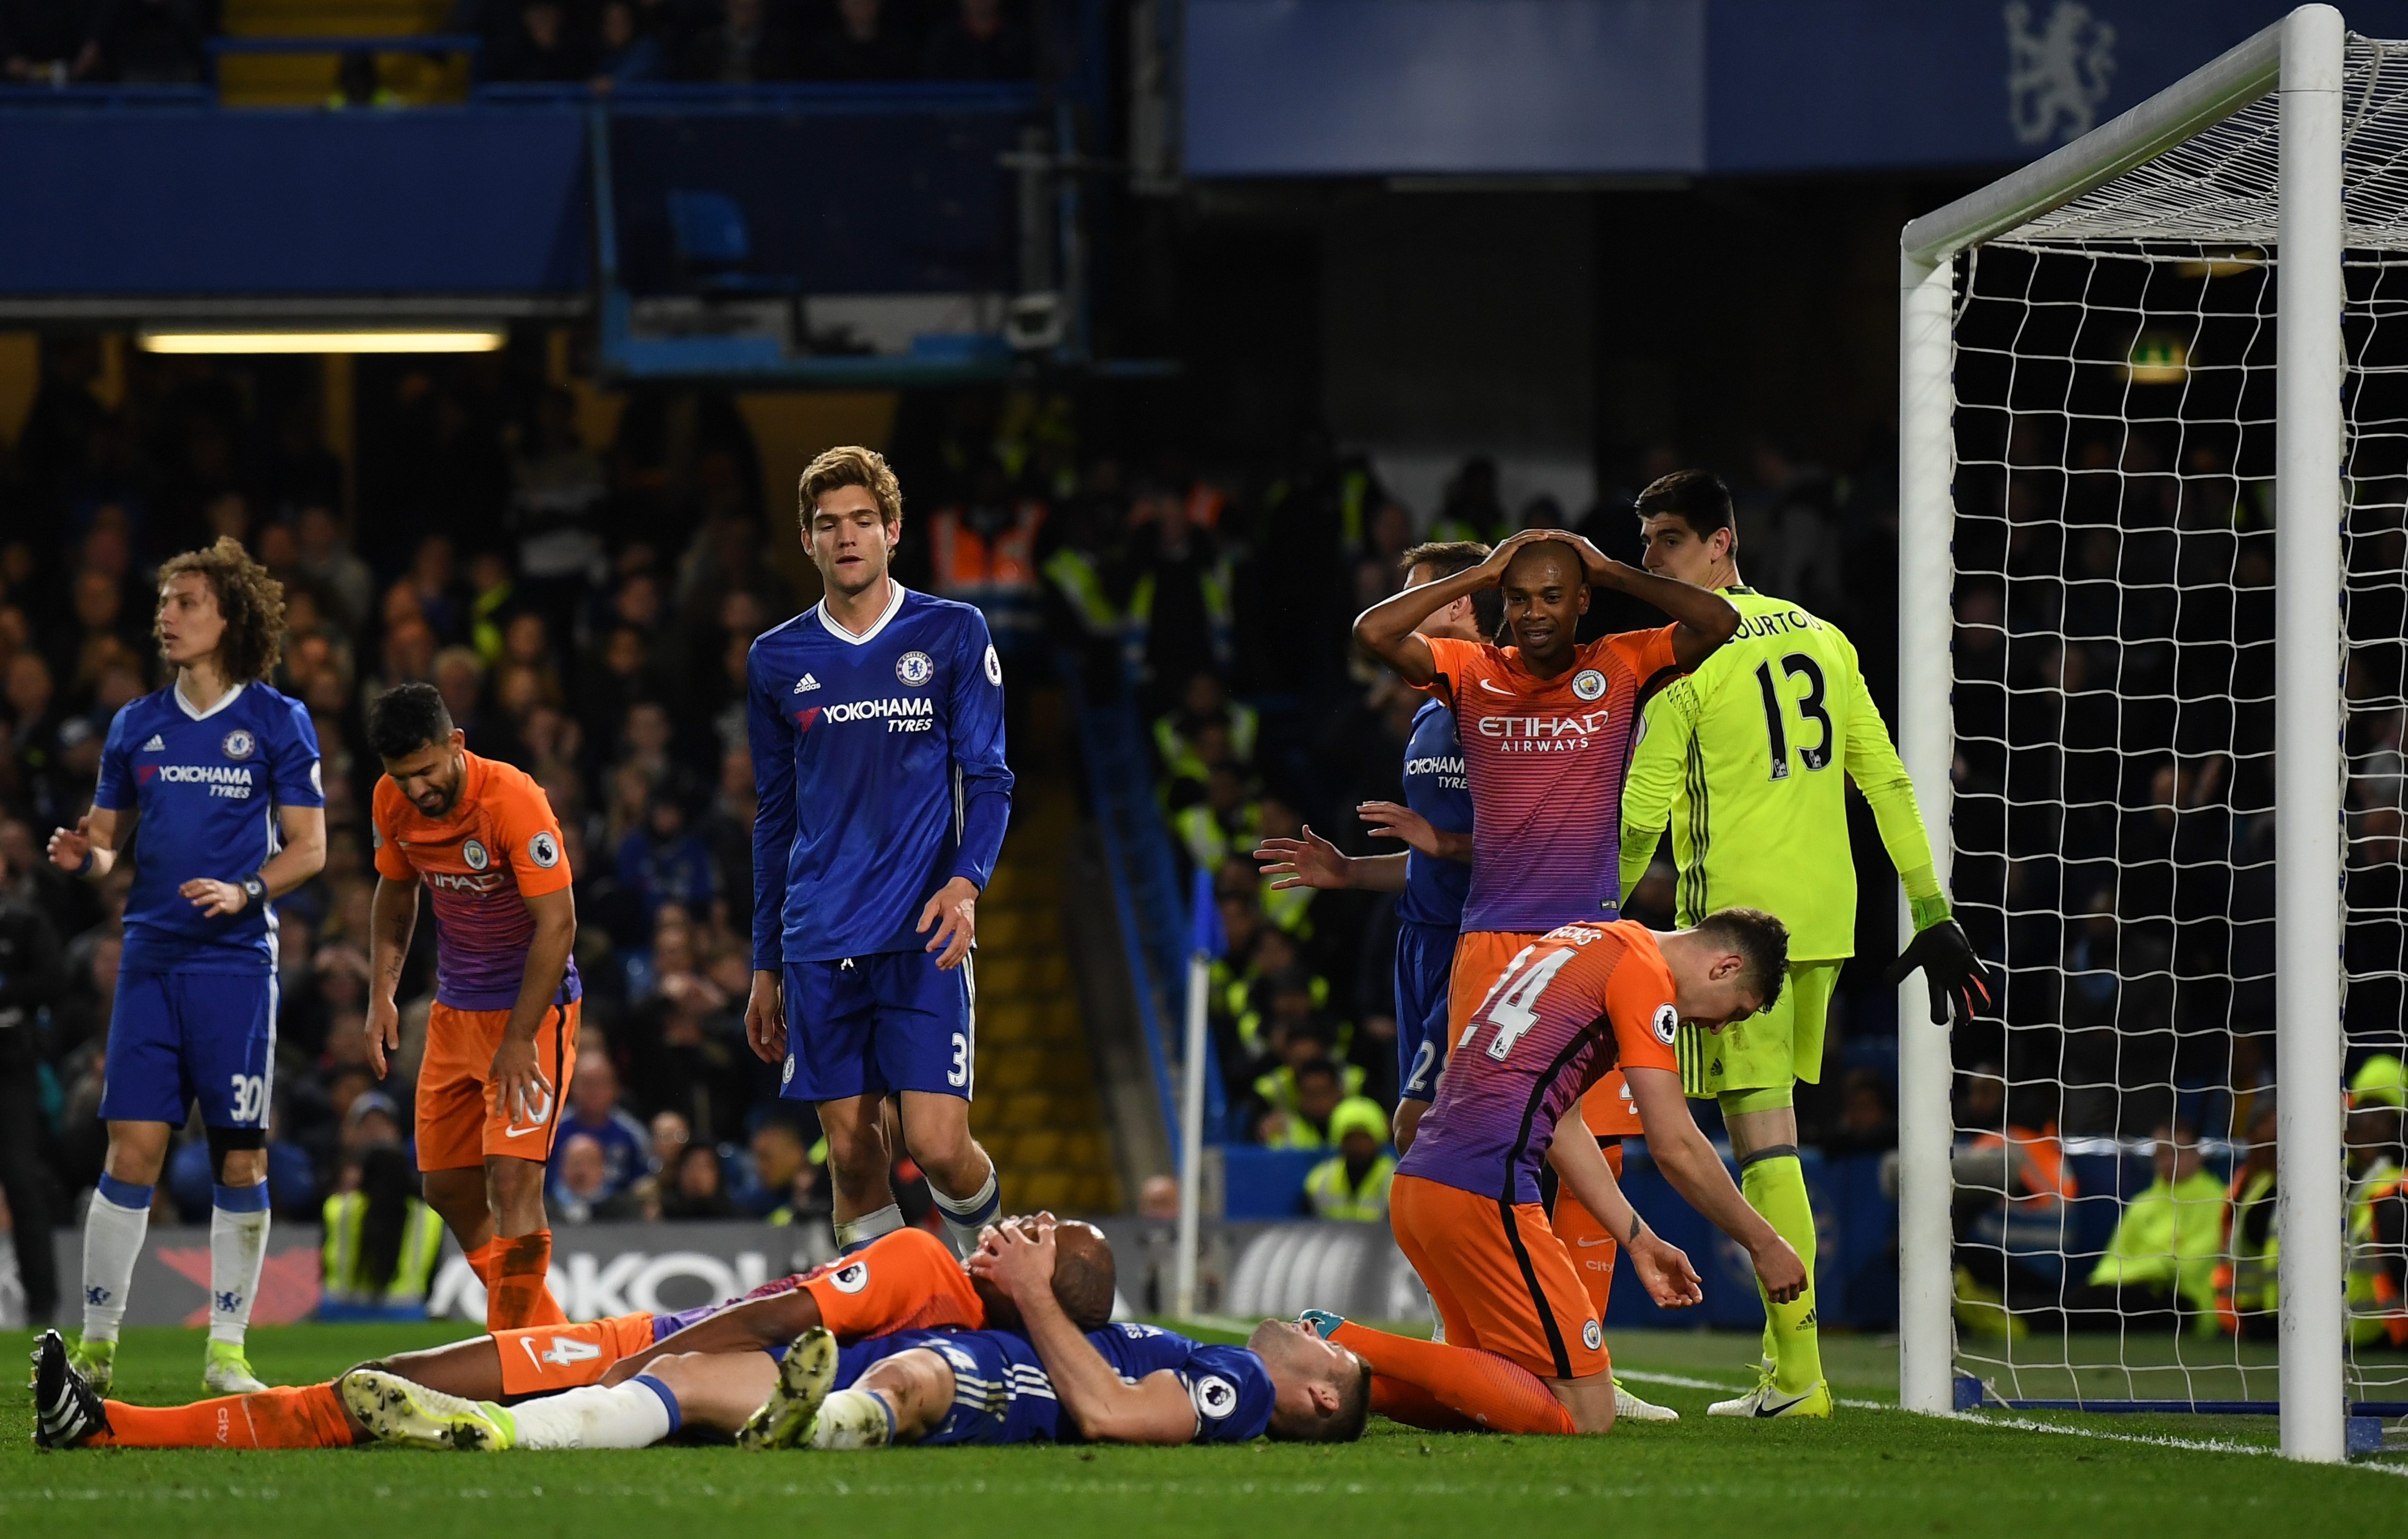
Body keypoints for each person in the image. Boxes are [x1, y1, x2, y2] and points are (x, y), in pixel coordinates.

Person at [1615, 469, 1992, 1417]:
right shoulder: (1823, 635)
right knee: (1770, 1138)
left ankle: (1796, 1378)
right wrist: (1930, 907)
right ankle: (1796, 1376)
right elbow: (1889, 782)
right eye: (1646, 540)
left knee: (1754, 1140)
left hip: (1734, 934)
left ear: (1720, 544)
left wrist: (1579, 924)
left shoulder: (1688, 658)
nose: (1650, 558)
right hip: (1827, 921)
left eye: (1666, 540)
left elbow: (1640, 817)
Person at [1349, 524, 1739, 1422]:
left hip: (1587, 942)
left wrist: (1610, 567)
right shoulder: (1469, 668)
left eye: (1552, 595)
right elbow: (1373, 634)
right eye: (1518, 599)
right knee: (1493, 1156)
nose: (1532, 614)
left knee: (1591, 1142)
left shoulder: (1624, 660)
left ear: (1581, 602)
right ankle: (1490, 1350)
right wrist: (1484, 573)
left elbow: (1717, 621)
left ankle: (1584, 1355)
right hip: (1488, 947)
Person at [1313, 910, 1808, 1436]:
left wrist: (1637, 1239)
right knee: (1589, 1413)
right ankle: (1339, 1336)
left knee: (1507, 1389)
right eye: (1735, 1011)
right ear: (1724, 967)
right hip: (1484, 1190)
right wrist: (1763, 1243)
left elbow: (1564, 1126)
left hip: (1424, 1189)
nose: (1716, 1027)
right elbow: (1676, 1144)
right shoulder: (1644, 973)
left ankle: (1336, 1380)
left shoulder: (1583, 941)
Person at [30, 1218, 1114, 1452]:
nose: (1016, 1221)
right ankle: (119, 1423)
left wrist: (650, 1354)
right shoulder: (1001, 1350)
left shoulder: (930, 1262)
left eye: (1039, 1232)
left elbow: (784, 1312)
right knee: (393, 1381)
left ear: (1041, 1282)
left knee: (387, 1377)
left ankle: (119, 1426)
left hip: (645, 1341)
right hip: (682, 1366)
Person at [45, 537, 328, 1395]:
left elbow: (310, 849)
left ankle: (228, 1352)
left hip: (236, 966)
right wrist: (81, 856)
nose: (165, 616)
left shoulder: (279, 720)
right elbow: (107, 845)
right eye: (164, 602)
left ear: (230, 618)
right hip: (151, 959)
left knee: (241, 1155)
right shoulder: (137, 723)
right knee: (131, 1148)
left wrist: (246, 890)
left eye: (186, 603)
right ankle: (96, 1349)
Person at [339, 1217, 1365, 1451]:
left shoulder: (1246, 1385)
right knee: (694, 1374)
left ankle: (829, 1422)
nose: (1318, 1332)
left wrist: (1030, 1290)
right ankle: (490, 1428)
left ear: (1318, 1395)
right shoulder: (951, 1279)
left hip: (979, 1378)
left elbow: (1107, 1410)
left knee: (917, 1377)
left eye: (1337, 1353)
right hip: (750, 1344)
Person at [744, 447, 1013, 1257]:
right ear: (807, 542)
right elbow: (774, 816)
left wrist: (965, 884)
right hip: (819, 939)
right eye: (829, 525)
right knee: (856, 1155)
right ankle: (897, 1330)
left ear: (893, 531)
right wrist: (766, 961)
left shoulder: (951, 631)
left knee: (933, 1144)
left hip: (923, 929)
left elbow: (991, 777)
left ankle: (995, 1280)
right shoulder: (775, 658)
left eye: (863, 520)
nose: (846, 537)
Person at [1256, 540, 1491, 1157]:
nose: (1403, 610)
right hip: (1418, 938)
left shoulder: (1509, 703)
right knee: (1430, 1137)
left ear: (1458, 600)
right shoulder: (1426, 716)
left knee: (1424, 1129)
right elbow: (1428, 853)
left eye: (1416, 594)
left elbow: (1535, 847)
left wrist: (1442, 840)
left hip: (1479, 941)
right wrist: (1351, 871)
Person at [362, 680, 581, 1331]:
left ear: (455, 744)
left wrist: (518, 1040)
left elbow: (559, 924)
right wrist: (382, 993)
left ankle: (516, 1352)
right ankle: (551, 1337)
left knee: (513, 1182)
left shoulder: (513, 798)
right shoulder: (392, 803)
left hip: (531, 1013)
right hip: (454, 1014)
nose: (418, 789)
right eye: (402, 777)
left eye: (427, 770)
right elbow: (395, 895)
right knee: (449, 1188)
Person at [0, 832, 66, 1326]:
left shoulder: (23, 922)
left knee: (23, 1181)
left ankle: (43, 1305)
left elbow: (53, 979)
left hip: (10, 1066)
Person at [319, 1143, 447, 1320]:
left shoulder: (338, 1208)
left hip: (340, 1311)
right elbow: (434, 1273)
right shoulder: (428, 1217)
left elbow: (323, 1261)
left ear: (365, 1175)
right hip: (406, 1315)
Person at [1303, 1097, 1396, 1222]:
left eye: (1364, 1137)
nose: (1357, 1145)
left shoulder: (1395, 1179)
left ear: (1378, 1138)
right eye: (1350, 1138)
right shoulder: (1319, 1180)